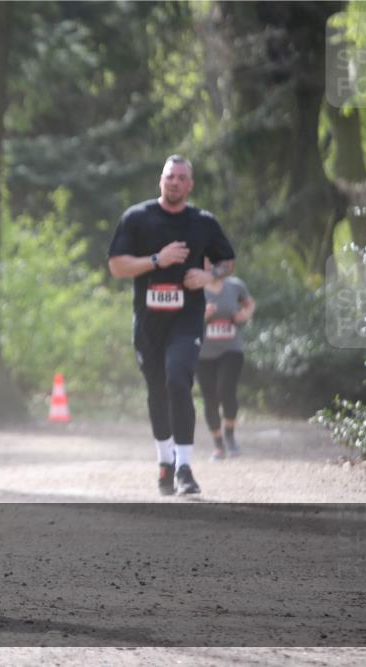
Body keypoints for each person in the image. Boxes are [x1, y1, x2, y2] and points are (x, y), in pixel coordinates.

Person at [107, 155, 235, 496]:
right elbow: (117, 266)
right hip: (148, 323)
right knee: (157, 391)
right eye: (169, 176)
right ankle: (164, 461)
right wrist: (156, 260)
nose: (175, 182)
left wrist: (209, 275)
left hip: (187, 320)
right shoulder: (137, 218)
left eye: (181, 177)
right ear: (160, 180)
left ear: (190, 185)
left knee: (178, 380)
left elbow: (227, 260)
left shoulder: (203, 222)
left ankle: (184, 467)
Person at [199, 266, 255, 460]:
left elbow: (249, 304)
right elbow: (184, 317)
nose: (211, 266)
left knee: (226, 390)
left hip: (231, 349)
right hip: (203, 352)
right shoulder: (195, 288)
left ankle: (229, 434)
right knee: (210, 397)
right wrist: (202, 315)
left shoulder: (235, 285)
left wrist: (244, 316)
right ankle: (218, 444)